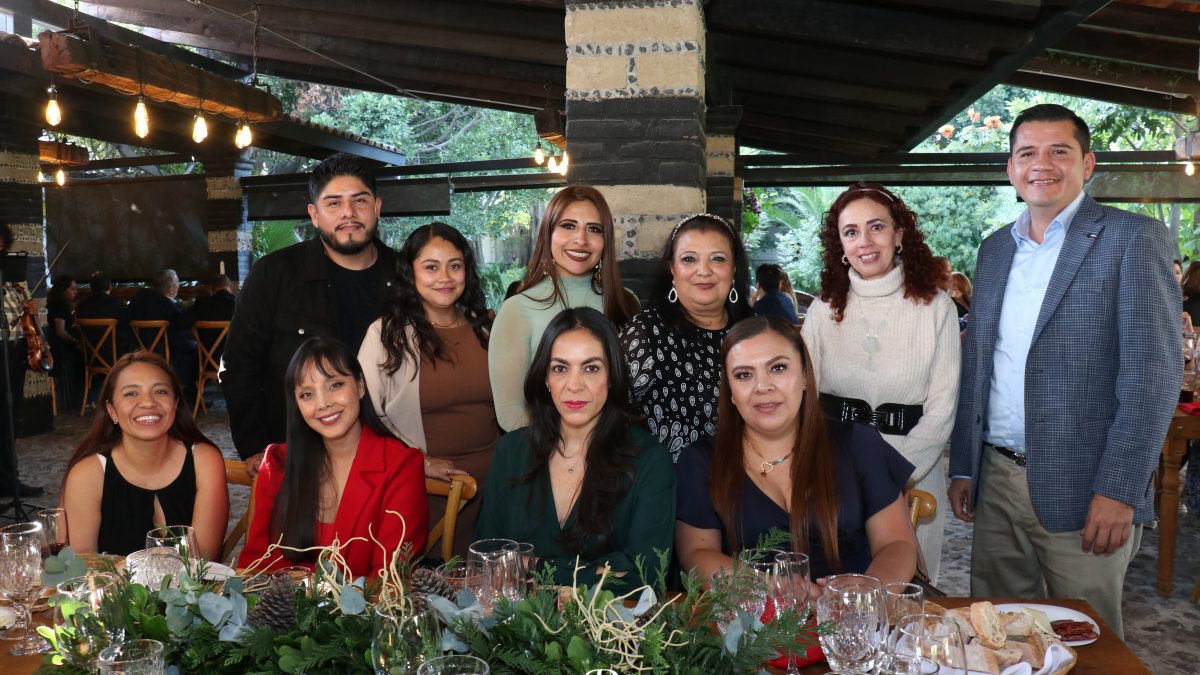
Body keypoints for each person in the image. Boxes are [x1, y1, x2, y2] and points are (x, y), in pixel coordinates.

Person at [948, 104, 1179, 637]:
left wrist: (1120, 489)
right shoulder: (994, 250)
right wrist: (965, 465)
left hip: (1086, 487)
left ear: (1087, 163)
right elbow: (980, 363)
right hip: (996, 479)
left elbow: (1152, 378)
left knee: (1088, 642)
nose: (1042, 165)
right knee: (1000, 638)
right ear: (1011, 167)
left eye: (1059, 151)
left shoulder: (1133, 238)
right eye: (1027, 153)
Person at [675, 316, 917, 585]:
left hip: (855, 608)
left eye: (778, 368)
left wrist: (863, 592)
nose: (763, 386)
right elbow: (696, 553)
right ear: (730, 392)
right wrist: (769, 589)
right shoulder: (701, 461)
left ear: (804, 376)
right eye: (744, 375)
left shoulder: (859, 442)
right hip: (754, 608)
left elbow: (897, 543)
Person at [801, 183, 959, 583]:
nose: (865, 242)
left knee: (904, 592)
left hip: (915, 471)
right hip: (836, 477)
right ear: (840, 244)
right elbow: (803, 400)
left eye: (877, 227)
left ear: (899, 234)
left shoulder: (936, 307)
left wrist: (891, 476)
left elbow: (942, 410)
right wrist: (841, 474)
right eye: (851, 232)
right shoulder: (821, 311)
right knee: (836, 590)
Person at [222, 153, 401, 474]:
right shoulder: (274, 274)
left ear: (377, 207)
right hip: (296, 454)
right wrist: (255, 447)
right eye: (333, 203)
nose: (348, 213)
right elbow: (239, 367)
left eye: (359, 200)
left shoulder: (405, 276)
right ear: (314, 215)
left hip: (390, 453)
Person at [475, 308, 675, 588]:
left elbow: (645, 578)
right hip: (517, 615)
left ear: (612, 375)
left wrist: (535, 565)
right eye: (560, 368)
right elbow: (486, 561)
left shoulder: (651, 461)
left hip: (610, 617)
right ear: (545, 378)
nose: (574, 385)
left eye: (591, 368)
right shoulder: (511, 451)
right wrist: (594, 573)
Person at [358, 222, 498, 558]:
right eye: (431, 267)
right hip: (425, 488)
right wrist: (419, 463)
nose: (444, 277)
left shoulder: (487, 329)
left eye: (454, 266)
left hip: (495, 487)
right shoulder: (385, 335)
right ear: (411, 273)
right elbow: (364, 417)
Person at [239, 338, 428, 578]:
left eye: (335, 385)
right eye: (307, 394)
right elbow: (254, 566)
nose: (323, 403)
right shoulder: (278, 464)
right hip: (282, 604)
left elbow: (391, 580)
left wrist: (303, 583)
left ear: (360, 386)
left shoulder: (401, 466)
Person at [489, 186, 638, 432]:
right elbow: (510, 412)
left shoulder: (626, 302)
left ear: (606, 241)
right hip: (545, 450)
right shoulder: (517, 309)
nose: (581, 239)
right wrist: (570, 448)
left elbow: (636, 396)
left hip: (620, 447)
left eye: (594, 229)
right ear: (548, 234)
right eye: (568, 226)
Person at [60, 351, 228, 557]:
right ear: (111, 410)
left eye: (160, 391)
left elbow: (203, 562)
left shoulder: (204, 460)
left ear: (175, 403)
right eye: (131, 393)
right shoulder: (88, 474)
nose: (148, 402)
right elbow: (83, 569)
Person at [619, 213, 754, 460]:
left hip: (751, 475)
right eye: (689, 259)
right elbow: (611, 411)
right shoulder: (646, 332)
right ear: (672, 269)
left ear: (734, 269)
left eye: (718, 259)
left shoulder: (755, 331)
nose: (703, 271)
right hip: (672, 479)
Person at [0, 221, 42, 498]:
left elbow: (24, 314)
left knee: (11, 415)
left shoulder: (15, 279)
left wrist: (31, 308)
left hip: (16, 349)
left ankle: (9, 479)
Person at [129, 268, 198, 402]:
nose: (179, 286)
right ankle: (189, 398)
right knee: (195, 352)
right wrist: (195, 344)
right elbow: (179, 342)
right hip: (166, 357)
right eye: (177, 283)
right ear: (172, 289)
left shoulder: (139, 300)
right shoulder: (170, 309)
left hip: (140, 352)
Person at [75, 271, 134, 356]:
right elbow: (128, 326)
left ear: (91, 287)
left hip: (89, 355)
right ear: (110, 286)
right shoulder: (117, 304)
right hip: (115, 355)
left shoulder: (81, 306)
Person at [47, 275, 83, 411]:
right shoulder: (60, 305)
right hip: (60, 349)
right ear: (63, 290)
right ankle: (76, 401)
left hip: (55, 347)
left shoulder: (54, 303)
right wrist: (76, 342)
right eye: (72, 289)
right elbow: (60, 331)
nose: (76, 292)